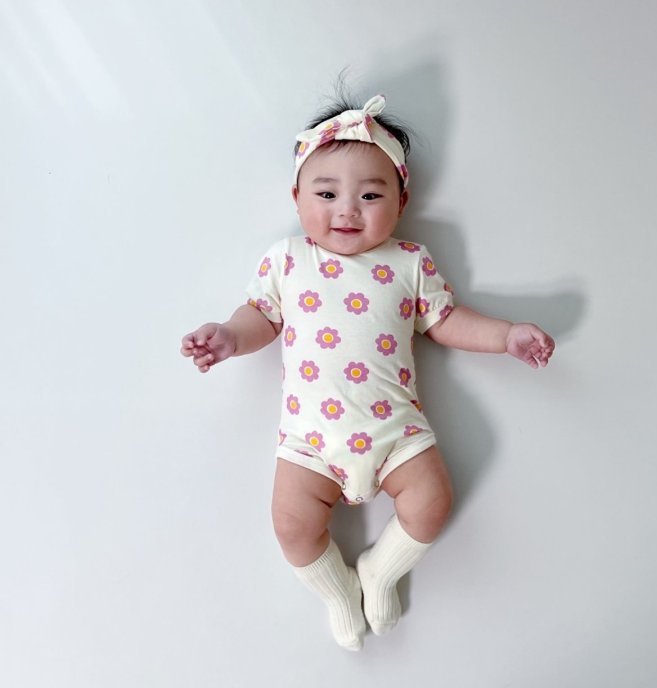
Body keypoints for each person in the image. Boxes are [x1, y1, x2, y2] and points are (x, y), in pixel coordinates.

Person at [181, 94, 555, 651]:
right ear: (297, 196)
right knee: (291, 525)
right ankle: (337, 590)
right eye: (326, 194)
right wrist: (229, 337)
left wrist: (506, 336)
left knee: (432, 503)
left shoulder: (409, 262)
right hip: (310, 440)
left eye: (371, 196)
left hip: (395, 431)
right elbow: (261, 316)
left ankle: (381, 571)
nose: (348, 211)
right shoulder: (288, 259)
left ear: (401, 201)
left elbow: (447, 321)